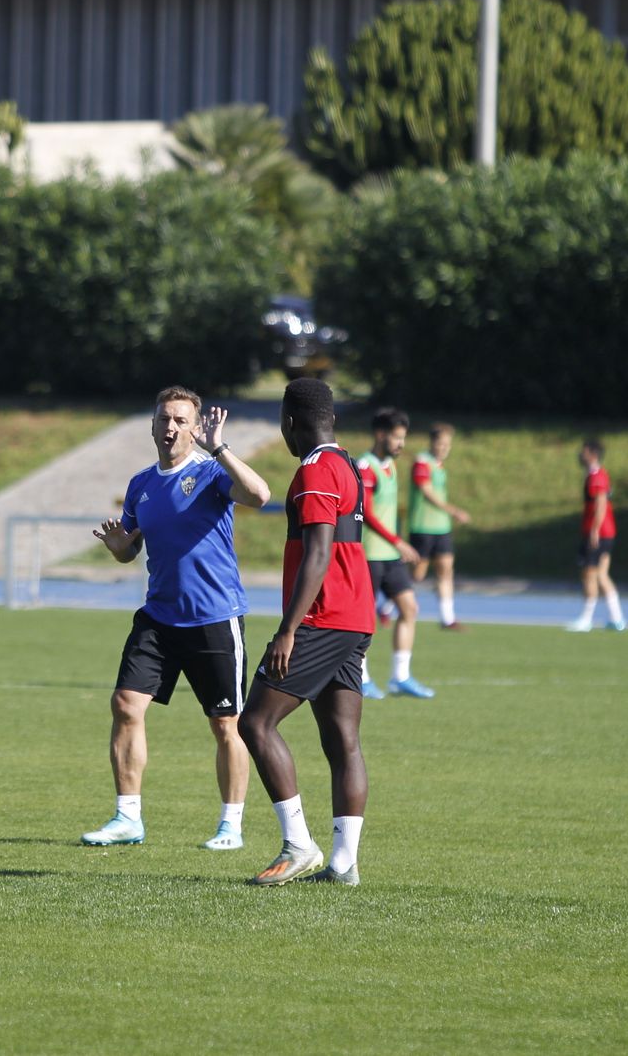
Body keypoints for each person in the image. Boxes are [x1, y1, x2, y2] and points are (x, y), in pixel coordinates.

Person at [82, 386, 273, 850]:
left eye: (180, 421)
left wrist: (221, 448)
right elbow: (131, 550)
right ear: (151, 425)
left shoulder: (210, 473)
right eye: (163, 419)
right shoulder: (141, 484)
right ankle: (128, 817)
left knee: (227, 724)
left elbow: (260, 494)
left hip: (214, 618)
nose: (170, 428)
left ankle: (231, 825)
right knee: (126, 705)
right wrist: (120, 548)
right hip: (159, 618)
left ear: (194, 428)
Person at [238, 377, 374, 887]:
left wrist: (287, 630)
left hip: (323, 617)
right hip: (356, 617)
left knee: (255, 723)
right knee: (343, 741)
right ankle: (344, 864)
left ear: (289, 423)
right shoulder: (350, 466)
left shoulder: (315, 470)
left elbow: (319, 552)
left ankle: (299, 846)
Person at [356, 408, 433, 699]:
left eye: (403, 438)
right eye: (397, 437)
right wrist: (398, 541)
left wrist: (396, 544)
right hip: (369, 555)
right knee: (364, 620)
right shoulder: (365, 466)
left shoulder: (391, 465)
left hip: (389, 556)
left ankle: (401, 677)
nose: (401, 443)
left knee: (409, 608)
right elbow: (368, 512)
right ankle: (360, 678)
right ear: (380, 434)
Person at [409, 423, 472, 631]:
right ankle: (388, 603)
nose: (444, 448)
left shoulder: (439, 466)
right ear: (432, 443)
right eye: (441, 444)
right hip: (423, 526)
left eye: (448, 445)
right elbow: (427, 491)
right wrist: (453, 510)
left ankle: (448, 618)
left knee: (446, 570)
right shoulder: (421, 463)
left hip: (441, 527)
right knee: (418, 574)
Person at [566, 438, 626, 633]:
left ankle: (586, 619)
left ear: (592, 454)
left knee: (589, 574)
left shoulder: (596, 476)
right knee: (601, 575)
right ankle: (617, 619)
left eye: (583, 451)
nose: (580, 455)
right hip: (606, 532)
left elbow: (601, 503)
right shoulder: (597, 475)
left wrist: (594, 530)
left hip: (599, 533)